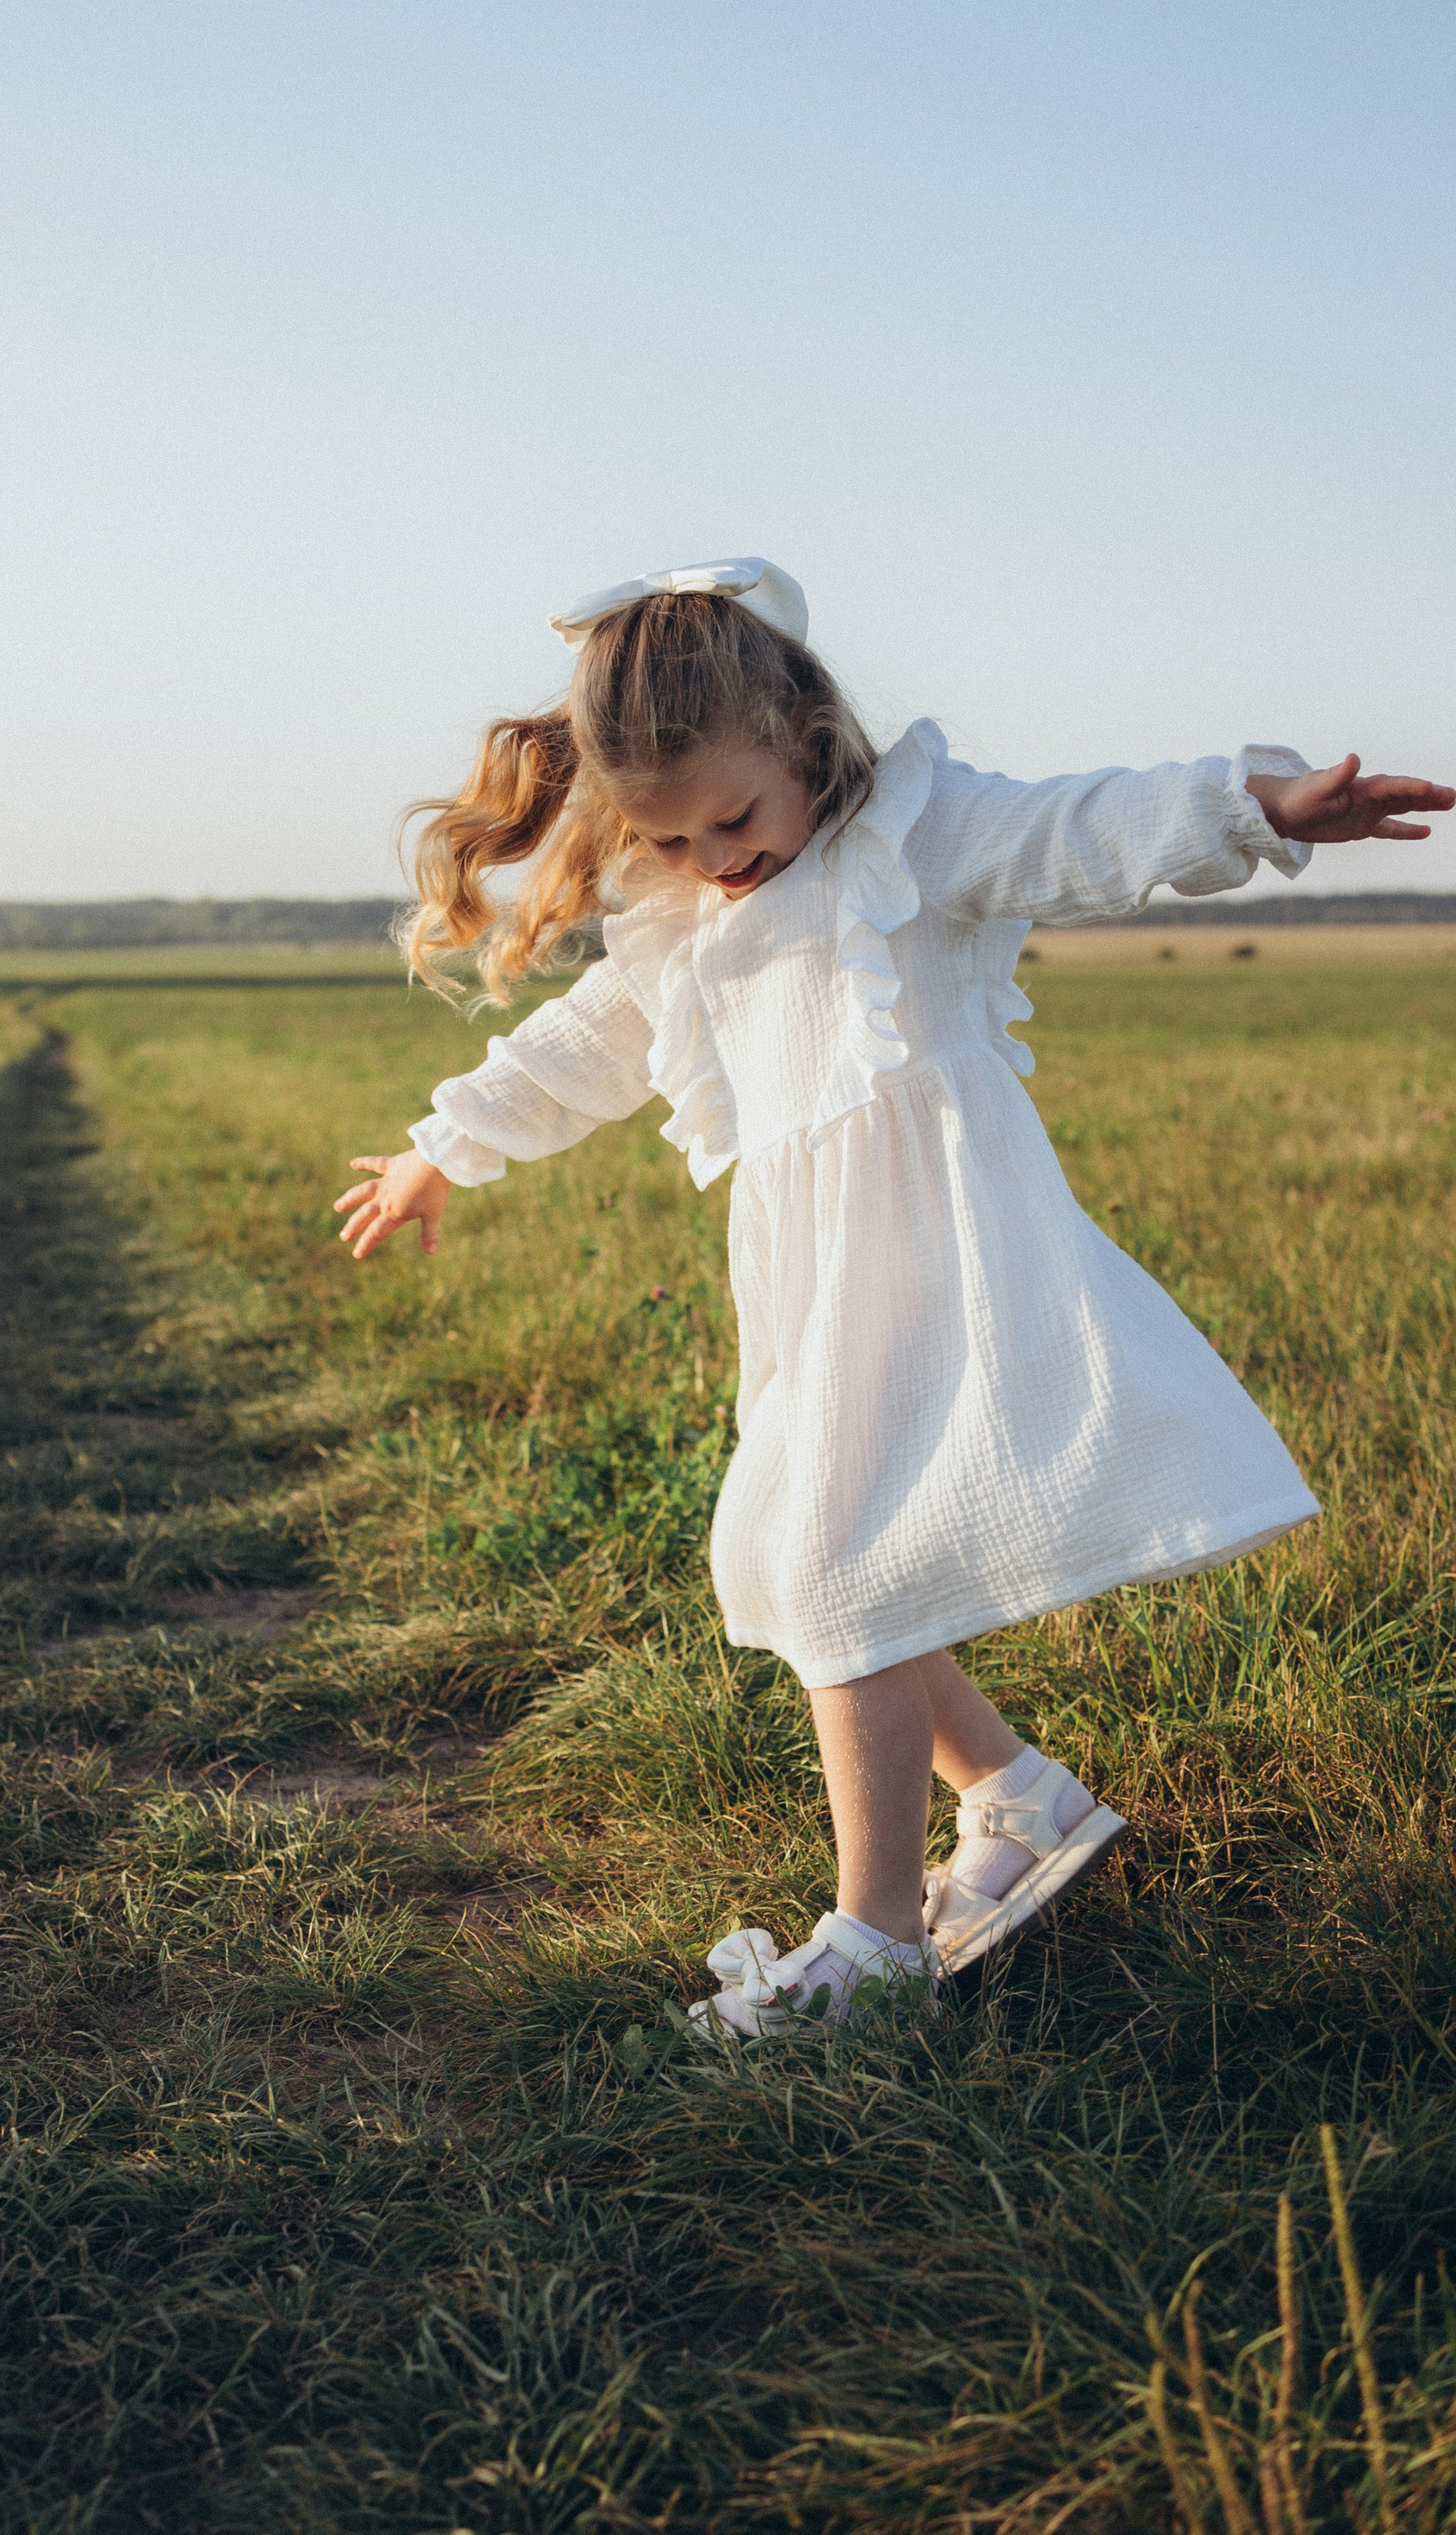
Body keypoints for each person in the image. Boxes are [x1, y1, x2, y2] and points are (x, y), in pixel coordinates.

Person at [333, 559, 1453, 2035]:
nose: (713, 857)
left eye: (732, 819)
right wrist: (442, 1153)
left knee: (839, 1572)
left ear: (801, 733)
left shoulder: (914, 840)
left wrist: (1258, 807)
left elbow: (1083, 828)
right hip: (812, 1283)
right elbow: (585, 1044)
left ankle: (874, 1943)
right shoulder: (681, 912)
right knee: (819, 1559)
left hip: (946, 1257)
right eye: (667, 835)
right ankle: (1018, 1796)